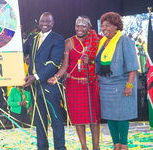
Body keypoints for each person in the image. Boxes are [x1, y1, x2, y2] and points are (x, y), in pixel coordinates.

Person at [48, 16, 101, 150]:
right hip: (74, 85)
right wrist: (57, 76)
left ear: (89, 27)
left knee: (94, 118)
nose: (80, 29)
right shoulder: (69, 42)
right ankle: (84, 147)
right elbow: (65, 65)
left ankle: (96, 147)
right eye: (77, 25)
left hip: (91, 83)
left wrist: (92, 61)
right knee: (78, 119)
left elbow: (102, 63)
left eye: (83, 26)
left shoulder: (96, 40)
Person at [96, 12, 138, 150]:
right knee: (110, 116)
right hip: (105, 84)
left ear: (116, 26)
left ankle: (124, 145)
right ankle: (116, 144)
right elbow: (104, 64)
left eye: (107, 25)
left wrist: (129, 85)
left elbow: (133, 67)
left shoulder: (124, 41)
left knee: (121, 115)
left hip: (121, 84)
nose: (104, 29)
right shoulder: (102, 42)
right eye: (102, 26)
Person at [23, 12, 66, 150]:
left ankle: (60, 147)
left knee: (56, 120)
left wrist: (35, 77)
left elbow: (54, 63)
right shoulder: (32, 38)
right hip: (35, 88)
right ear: (39, 22)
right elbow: (21, 51)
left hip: (50, 86)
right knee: (39, 121)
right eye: (42, 21)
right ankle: (42, 147)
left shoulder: (58, 39)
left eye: (48, 21)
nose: (44, 24)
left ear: (52, 23)